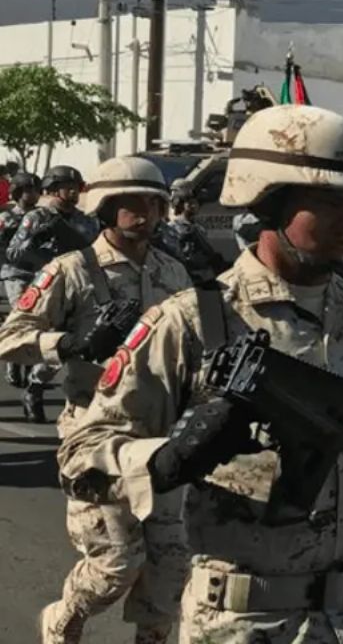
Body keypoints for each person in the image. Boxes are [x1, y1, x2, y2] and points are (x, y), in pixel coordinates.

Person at [57, 104, 343, 643]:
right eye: (329, 202)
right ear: (268, 200)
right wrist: (165, 457)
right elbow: (81, 453)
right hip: (246, 618)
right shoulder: (192, 319)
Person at [0, 156, 192, 644]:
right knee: (114, 562)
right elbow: (10, 337)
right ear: (104, 208)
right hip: (95, 430)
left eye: (153, 201)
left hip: (164, 434)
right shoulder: (71, 270)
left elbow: (206, 341)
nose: (145, 212)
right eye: (131, 202)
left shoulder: (174, 273)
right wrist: (70, 344)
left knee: (171, 566)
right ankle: (63, 621)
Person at [6, 166, 101, 422]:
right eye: (66, 187)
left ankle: (35, 387)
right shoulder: (37, 218)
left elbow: (96, 254)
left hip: (79, 288)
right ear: (53, 189)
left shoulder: (87, 221)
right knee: (48, 340)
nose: (72, 192)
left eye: (75, 187)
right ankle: (23, 371)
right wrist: (37, 242)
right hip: (45, 288)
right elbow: (14, 253)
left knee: (73, 345)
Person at [0, 171, 43, 393]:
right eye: (27, 190)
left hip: (40, 274)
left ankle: (29, 365)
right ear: (17, 192)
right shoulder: (7, 217)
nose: (32, 194)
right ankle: (12, 360)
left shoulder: (43, 216)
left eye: (35, 190)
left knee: (37, 321)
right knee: (20, 318)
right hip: (14, 273)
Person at [158, 178, 228, 285]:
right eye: (190, 203)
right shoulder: (173, 228)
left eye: (195, 203)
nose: (194, 206)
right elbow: (174, 256)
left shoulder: (198, 228)